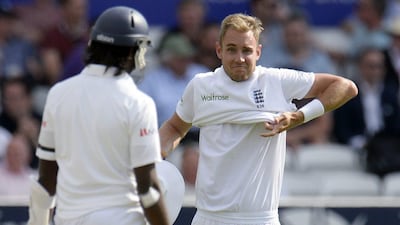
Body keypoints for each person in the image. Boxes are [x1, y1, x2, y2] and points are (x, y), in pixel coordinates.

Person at [159, 13, 358, 225]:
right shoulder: (200, 86)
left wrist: (299, 117)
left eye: (246, 50)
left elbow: (346, 87)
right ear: (219, 50)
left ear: (258, 52)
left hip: (260, 219)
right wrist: (152, 158)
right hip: (208, 218)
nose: (239, 58)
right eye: (231, 49)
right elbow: (174, 127)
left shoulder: (277, 80)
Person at [27, 6, 170, 225]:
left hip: (69, 219)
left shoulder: (58, 94)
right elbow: (148, 188)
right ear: (135, 51)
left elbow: (45, 182)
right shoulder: (139, 104)